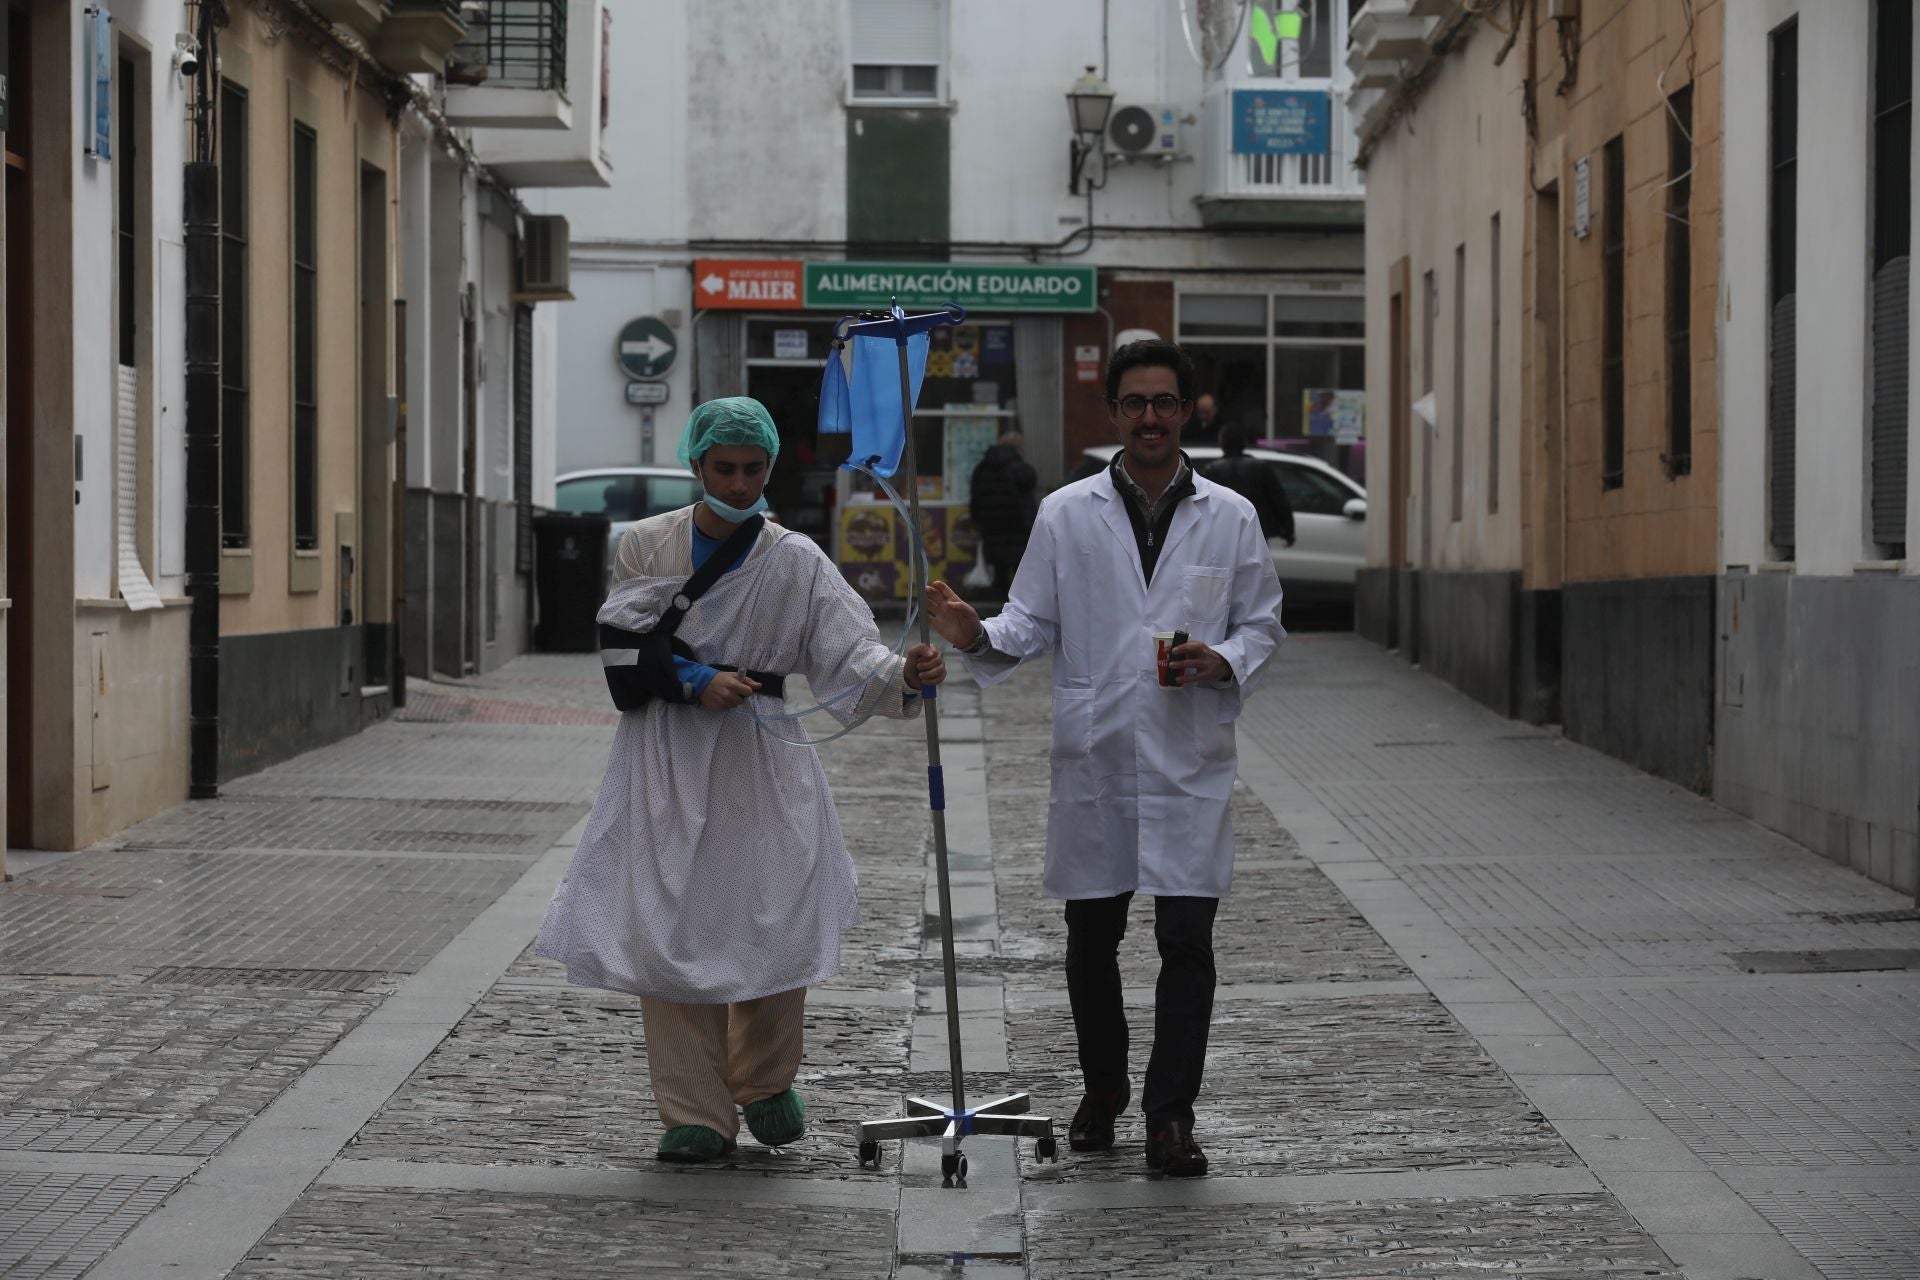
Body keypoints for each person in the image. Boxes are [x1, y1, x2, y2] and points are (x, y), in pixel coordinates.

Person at [535, 396, 946, 1165]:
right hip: (667, 754)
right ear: (696, 464)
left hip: (761, 755)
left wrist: (904, 675)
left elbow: (848, 650)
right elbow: (622, 646)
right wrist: (696, 681)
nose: (738, 482)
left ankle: (764, 1079)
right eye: (723, 468)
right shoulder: (646, 544)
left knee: (773, 911)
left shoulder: (796, 560)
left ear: (770, 467)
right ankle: (693, 1109)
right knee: (669, 920)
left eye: (752, 469)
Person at [924, 340, 1285, 1178]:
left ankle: (1170, 1115)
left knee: (1186, 941)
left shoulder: (1230, 516)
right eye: (1135, 403)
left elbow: (1262, 622)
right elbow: (1029, 622)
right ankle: (1105, 1088)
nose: (1150, 417)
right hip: (1097, 755)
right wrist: (975, 634)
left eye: (1165, 402)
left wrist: (1224, 659)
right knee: (1091, 940)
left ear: (1186, 410)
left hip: (1188, 758)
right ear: (1114, 413)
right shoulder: (1065, 513)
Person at [968, 431, 1040, 599]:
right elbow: (1031, 481)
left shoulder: (982, 468)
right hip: (1018, 529)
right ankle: (1019, 605)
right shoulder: (1020, 468)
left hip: (992, 530)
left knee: (1000, 573)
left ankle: (999, 605)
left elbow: (975, 499)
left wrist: (979, 522)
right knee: (1021, 573)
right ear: (1018, 448)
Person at [1201, 422, 1295, 546]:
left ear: (1222, 444)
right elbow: (1280, 501)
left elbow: (1202, 506)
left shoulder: (1212, 470)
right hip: (1256, 530)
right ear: (1245, 443)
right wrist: (1288, 531)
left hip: (1223, 532)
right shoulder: (1261, 468)